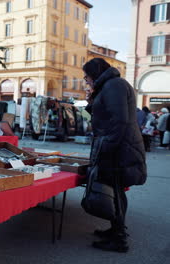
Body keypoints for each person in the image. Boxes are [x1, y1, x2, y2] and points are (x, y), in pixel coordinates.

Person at [83, 58, 147, 253]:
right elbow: (104, 116)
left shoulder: (114, 85)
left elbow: (118, 121)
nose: (86, 80)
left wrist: (106, 147)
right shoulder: (110, 85)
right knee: (116, 191)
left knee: (117, 193)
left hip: (119, 149)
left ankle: (119, 239)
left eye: (87, 77)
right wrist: (91, 100)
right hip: (118, 146)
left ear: (95, 73)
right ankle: (115, 229)